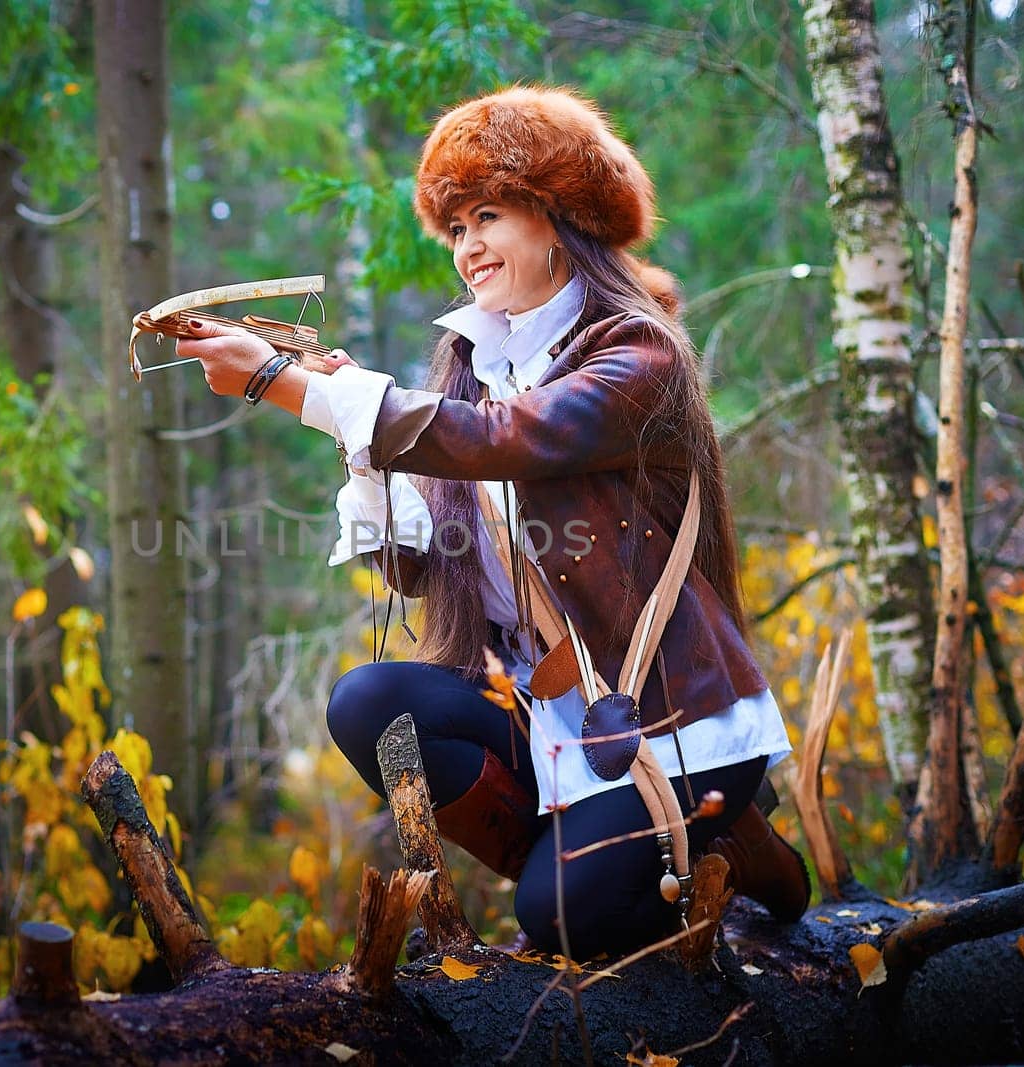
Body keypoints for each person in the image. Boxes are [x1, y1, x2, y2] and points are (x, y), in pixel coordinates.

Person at [179, 85, 807, 958]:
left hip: (668, 720)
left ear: (557, 218)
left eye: (487, 216)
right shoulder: (475, 366)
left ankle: (715, 839)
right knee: (370, 703)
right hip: (551, 712)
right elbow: (421, 565)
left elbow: (505, 441)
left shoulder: (639, 351)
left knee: (558, 921)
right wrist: (365, 444)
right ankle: (586, 858)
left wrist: (286, 385)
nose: (468, 246)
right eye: (457, 227)